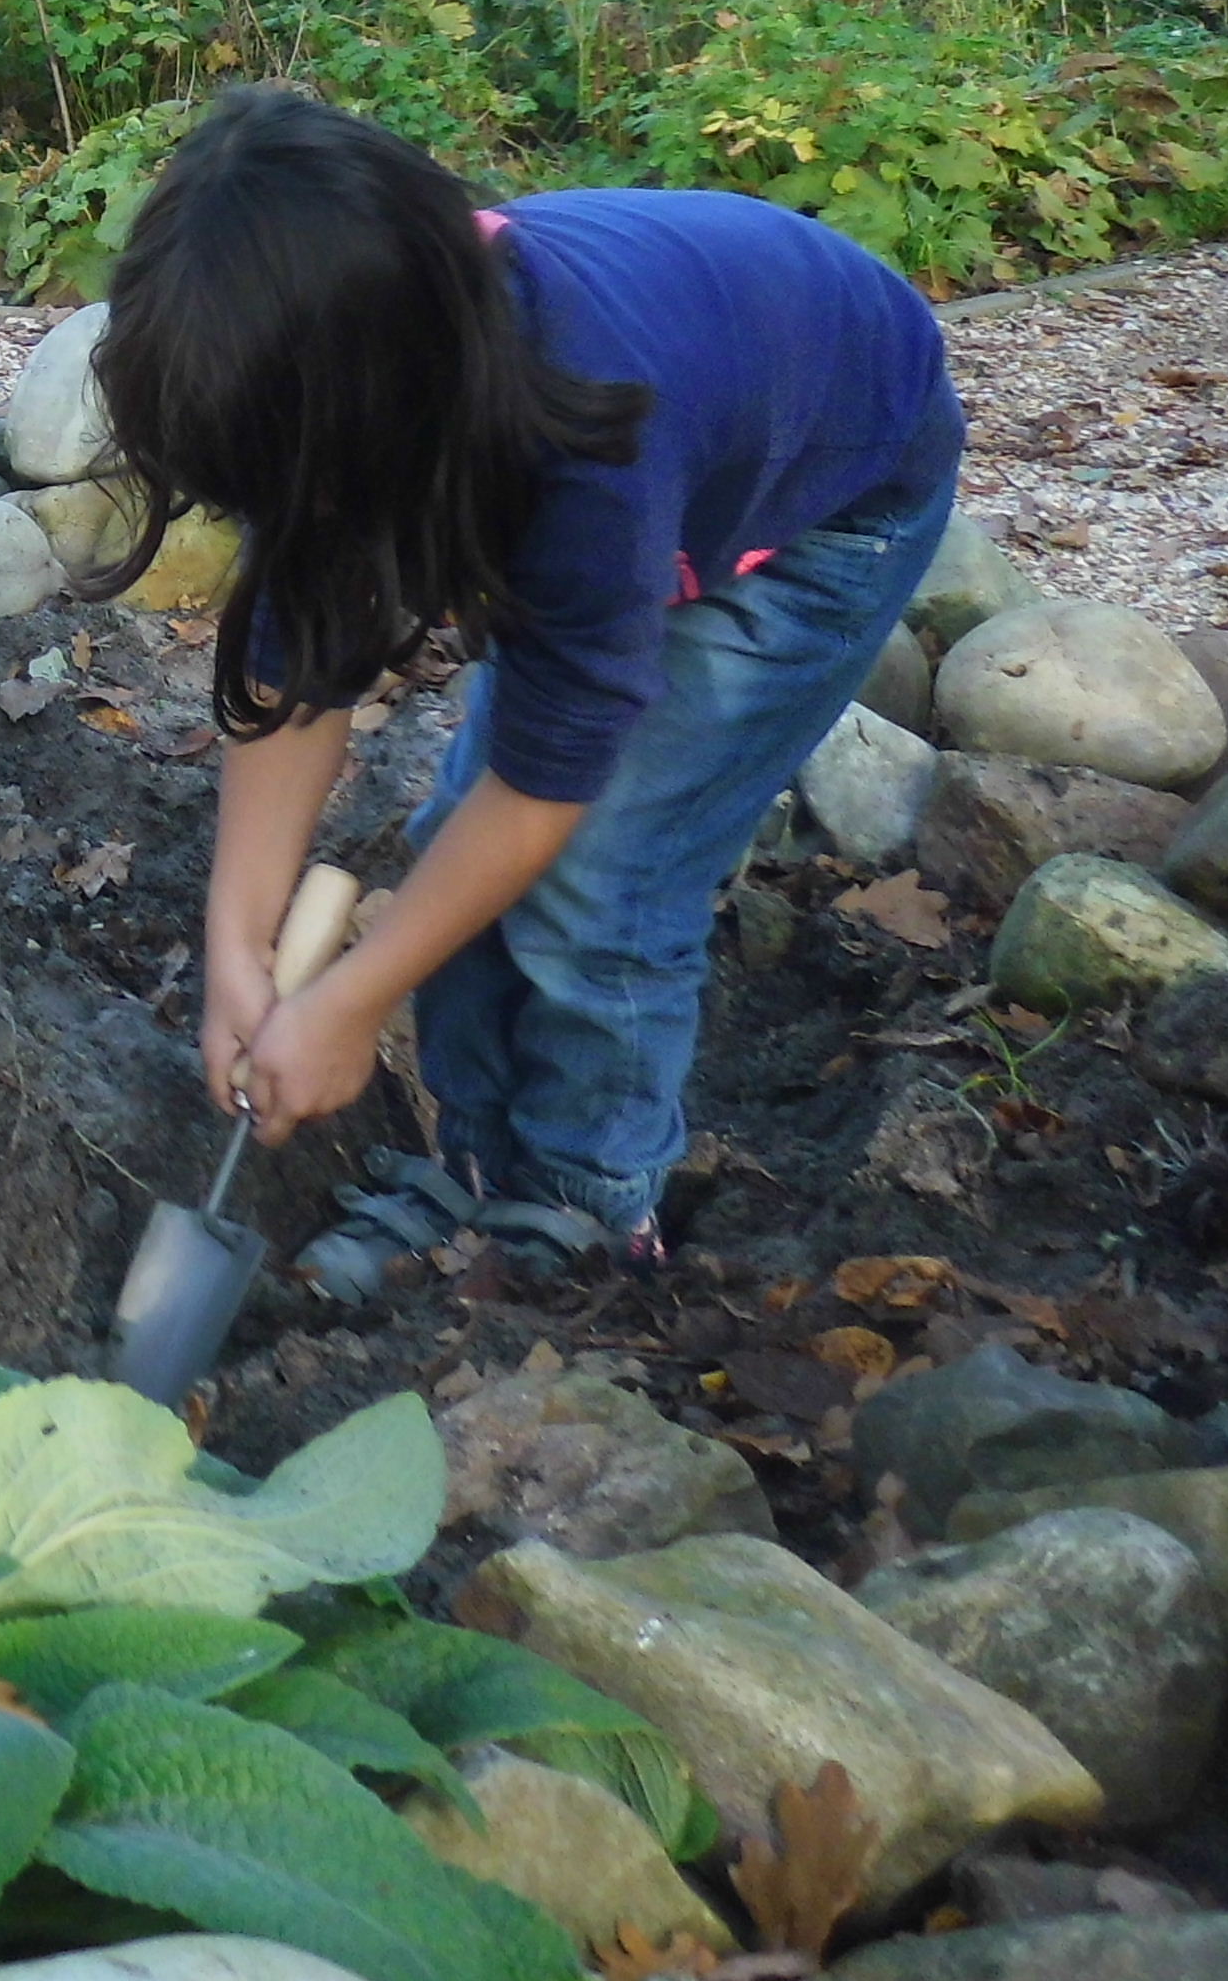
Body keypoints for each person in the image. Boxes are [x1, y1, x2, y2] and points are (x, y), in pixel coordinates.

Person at [86, 85, 963, 1286]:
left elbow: (552, 782)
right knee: (464, 841)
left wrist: (349, 1002)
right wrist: (239, 942)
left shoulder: (582, 456)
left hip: (831, 493)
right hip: (687, 431)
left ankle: (589, 1206)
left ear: (389, 414)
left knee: (608, 873)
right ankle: (485, 1169)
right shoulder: (354, 365)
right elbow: (301, 676)